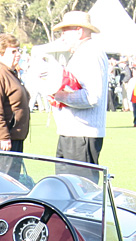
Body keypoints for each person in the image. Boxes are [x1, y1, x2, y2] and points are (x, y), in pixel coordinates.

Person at [48, 10, 108, 169]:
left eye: (65, 32)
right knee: (65, 188)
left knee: (79, 189)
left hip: (81, 136)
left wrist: (58, 95)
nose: (62, 37)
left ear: (79, 31)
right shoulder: (84, 52)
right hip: (74, 134)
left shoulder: (90, 53)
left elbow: (92, 97)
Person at [0, 33, 30, 180]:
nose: (17, 54)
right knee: (3, 181)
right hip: (6, 138)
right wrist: (3, 136)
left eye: (18, 50)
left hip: (15, 135)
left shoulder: (10, 72)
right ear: (1, 54)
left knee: (12, 182)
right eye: (13, 51)